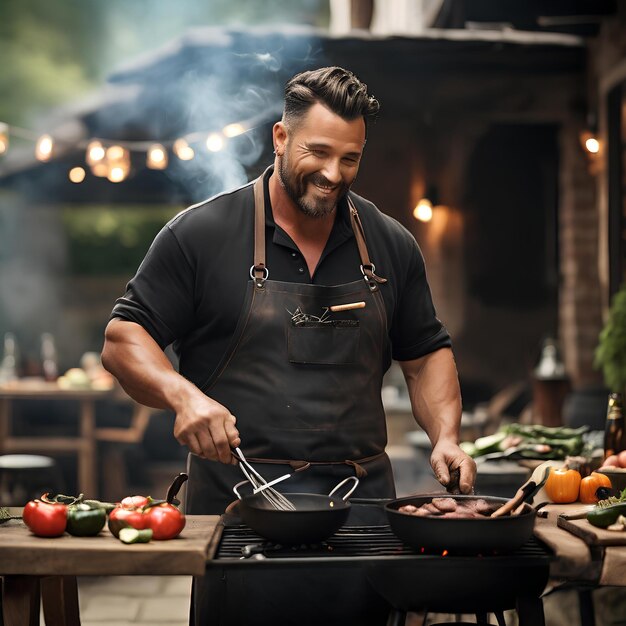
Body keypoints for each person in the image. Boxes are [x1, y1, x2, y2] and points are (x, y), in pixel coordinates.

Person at [102, 66, 476, 625]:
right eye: (318, 152)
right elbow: (123, 339)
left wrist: (446, 436)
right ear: (280, 138)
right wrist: (183, 397)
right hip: (239, 511)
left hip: (362, 513)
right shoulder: (200, 235)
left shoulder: (391, 245)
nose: (333, 173)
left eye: (350, 159)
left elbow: (425, 357)